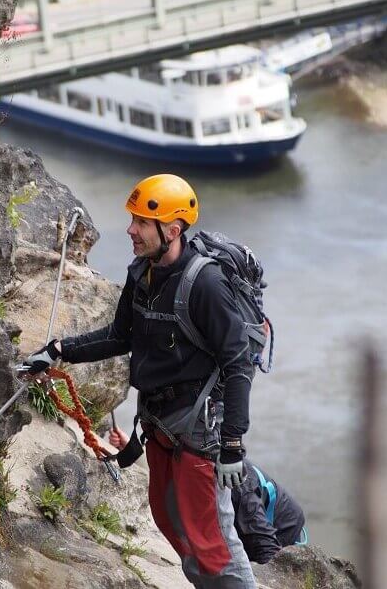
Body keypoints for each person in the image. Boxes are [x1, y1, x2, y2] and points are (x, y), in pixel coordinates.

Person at [24, 174, 258, 588]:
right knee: (170, 520)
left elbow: (238, 363)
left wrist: (233, 444)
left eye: (140, 223)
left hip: (199, 429)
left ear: (172, 230)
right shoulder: (142, 273)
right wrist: (60, 350)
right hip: (159, 420)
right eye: (133, 220)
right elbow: (120, 336)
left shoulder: (206, 284)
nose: (130, 230)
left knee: (212, 541)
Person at [109, 427, 306, 565]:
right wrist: (129, 448)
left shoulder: (239, 491)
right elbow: (167, 471)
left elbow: (268, 551)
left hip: (282, 534)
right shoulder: (196, 458)